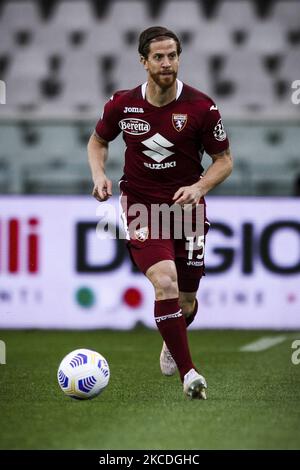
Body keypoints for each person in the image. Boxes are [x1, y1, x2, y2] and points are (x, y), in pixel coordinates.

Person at [87, 26, 233, 400]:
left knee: (185, 300)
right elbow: (99, 140)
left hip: (187, 209)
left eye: (172, 56)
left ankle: (173, 337)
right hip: (140, 206)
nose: (167, 63)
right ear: (144, 61)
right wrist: (100, 174)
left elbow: (224, 161)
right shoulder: (123, 104)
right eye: (159, 57)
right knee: (164, 281)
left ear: (179, 58)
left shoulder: (202, 107)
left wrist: (201, 186)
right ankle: (190, 375)